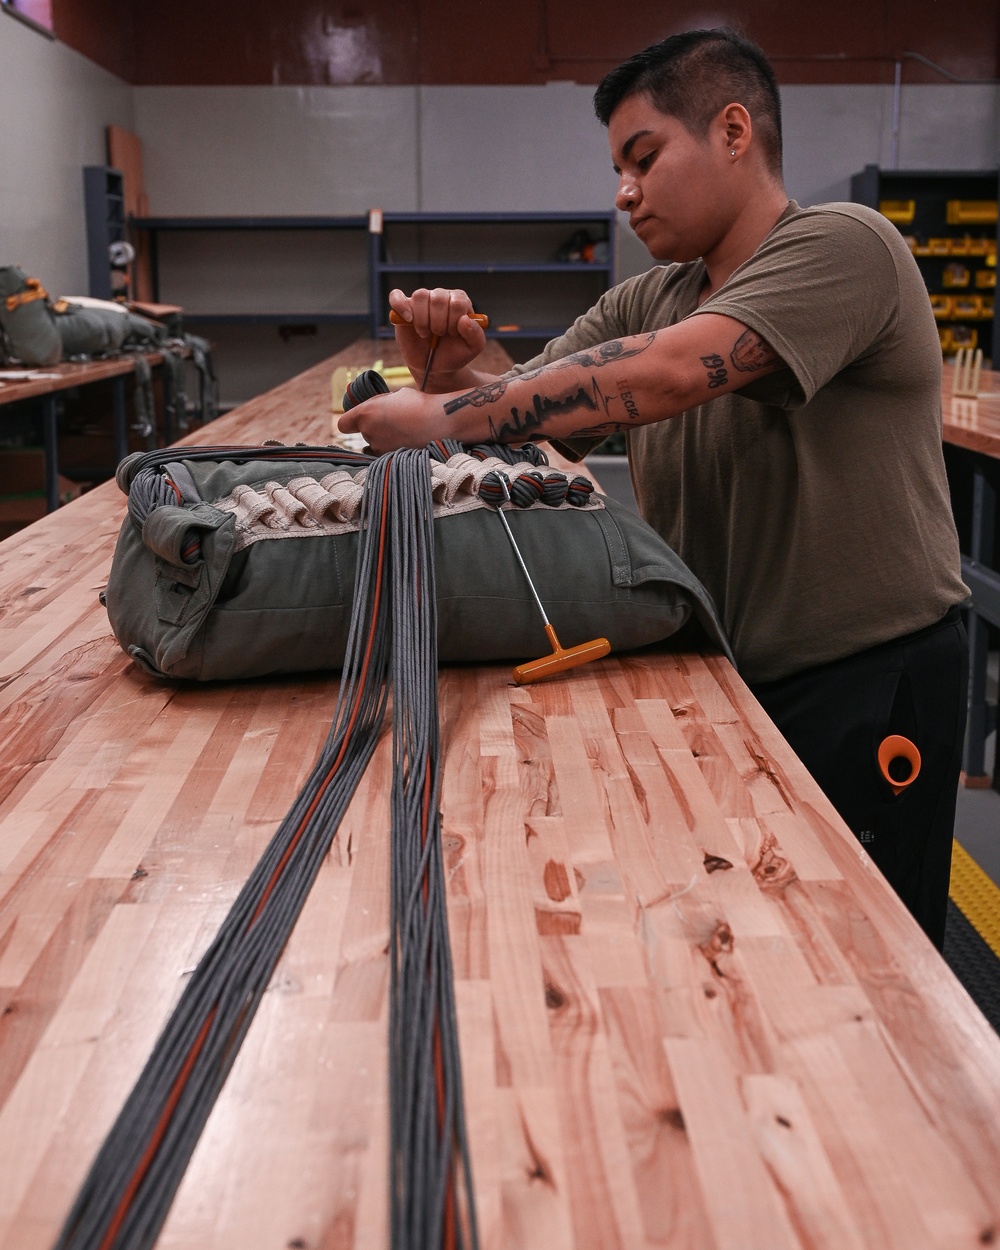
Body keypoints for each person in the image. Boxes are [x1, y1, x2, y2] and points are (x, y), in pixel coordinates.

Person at [340, 27, 970, 948]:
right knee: (753, 945)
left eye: (644, 157)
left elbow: (674, 372)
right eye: (617, 168)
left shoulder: (845, 246)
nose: (625, 192)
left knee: (873, 959)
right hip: (727, 676)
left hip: (865, 680)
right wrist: (441, 376)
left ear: (733, 131)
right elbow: (535, 414)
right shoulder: (652, 298)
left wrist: (437, 419)